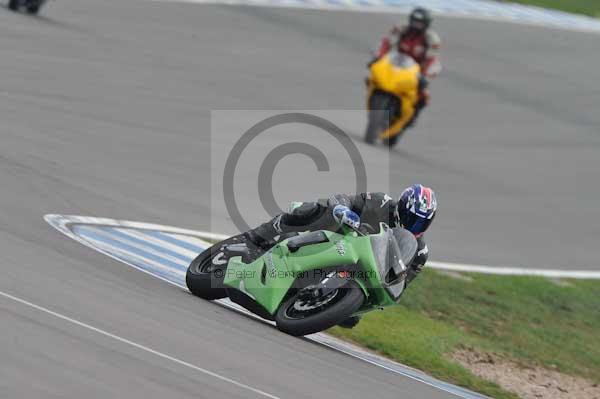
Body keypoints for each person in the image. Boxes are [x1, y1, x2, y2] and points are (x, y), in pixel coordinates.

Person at [245, 184, 438, 328]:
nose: (414, 226)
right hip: (340, 236)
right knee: (310, 210)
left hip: (366, 272)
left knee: (350, 319)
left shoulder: (420, 252)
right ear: (401, 208)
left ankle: (320, 297)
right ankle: (261, 233)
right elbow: (344, 199)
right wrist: (343, 210)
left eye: (421, 223)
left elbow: (401, 283)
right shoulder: (381, 202)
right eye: (411, 218)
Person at [376, 8, 442, 126]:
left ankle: (413, 116)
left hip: (417, 68)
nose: (417, 25)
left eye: (420, 23)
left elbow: (432, 58)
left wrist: (425, 75)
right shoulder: (401, 28)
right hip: (396, 61)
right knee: (376, 76)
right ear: (410, 20)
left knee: (424, 95)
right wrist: (379, 57)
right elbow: (387, 42)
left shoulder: (432, 39)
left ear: (426, 24)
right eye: (415, 21)